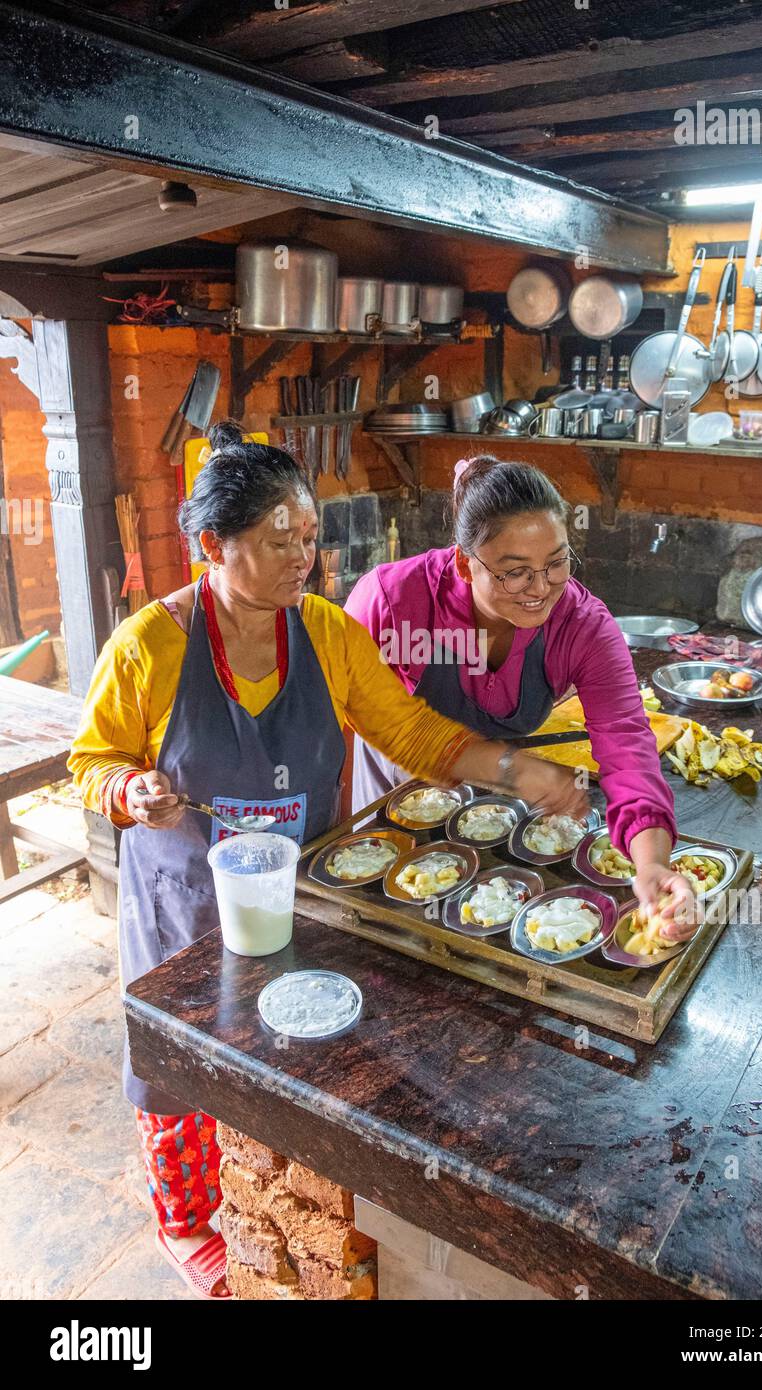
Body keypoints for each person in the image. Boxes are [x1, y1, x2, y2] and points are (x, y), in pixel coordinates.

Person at [69, 425, 587, 1298]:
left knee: (284, 1045)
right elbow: (91, 760)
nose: (302, 558)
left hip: (299, 891)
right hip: (183, 897)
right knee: (176, 1059)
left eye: (309, 538)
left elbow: (411, 731)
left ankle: (280, 1206)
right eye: (278, 541)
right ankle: (186, 1217)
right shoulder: (149, 647)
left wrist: (513, 767)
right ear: (212, 546)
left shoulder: (329, 634)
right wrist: (129, 792)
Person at [346, 453, 696, 932]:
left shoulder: (583, 626)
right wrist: (512, 770)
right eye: (515, 571)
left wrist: (651, 860)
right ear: (466, 567)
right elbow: (365, 719)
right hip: (397, 817)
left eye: (556, 564)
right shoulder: (392, 601)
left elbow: (627, 744)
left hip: (508, 825)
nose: (540, 589)